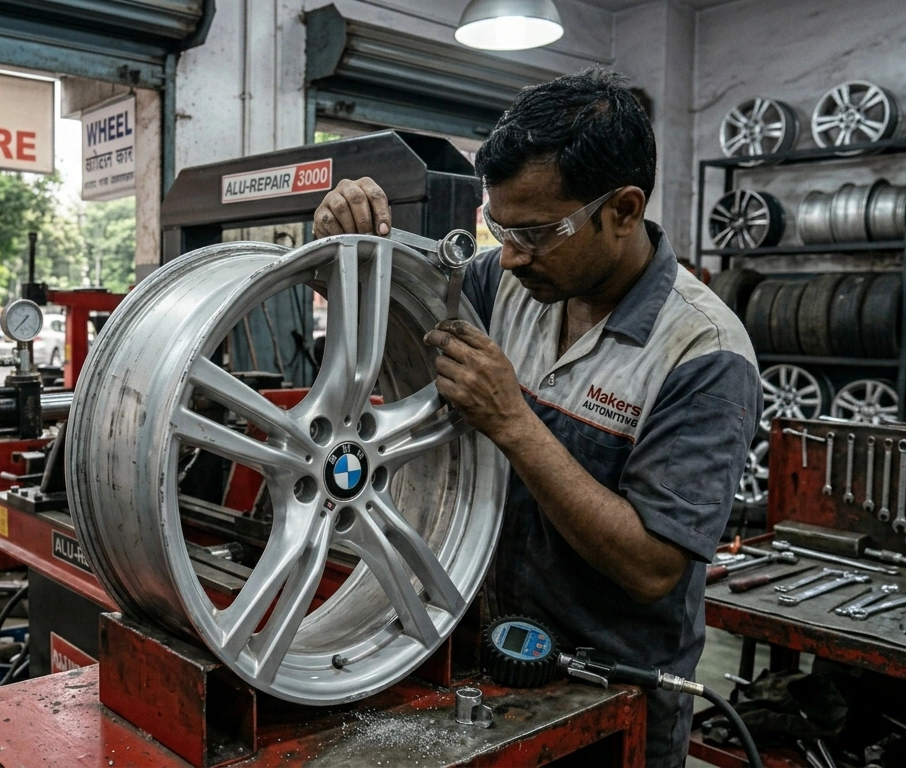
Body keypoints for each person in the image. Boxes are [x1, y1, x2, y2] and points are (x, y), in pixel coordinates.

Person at [311, 69, 759, 766]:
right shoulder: (503, 283)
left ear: (624, 209)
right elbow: (387, 317)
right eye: (500, 227)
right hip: (478, 659)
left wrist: (514, 421)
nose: (513, 253)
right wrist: (340, 251)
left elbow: (652, 568)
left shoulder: (704, 353)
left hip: (606, 696)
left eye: (540, 231)